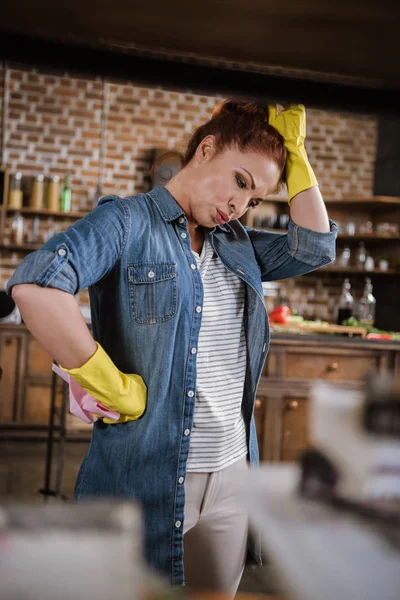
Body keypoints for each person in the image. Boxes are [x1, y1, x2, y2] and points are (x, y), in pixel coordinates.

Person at [8, 100, 337, 595]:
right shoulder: (125, 222)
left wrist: (296, 153)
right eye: (241, 181)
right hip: (145, 473)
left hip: (232, 470)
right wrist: (106, 380)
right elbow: (36, 284)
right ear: (206, 150)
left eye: (256, 199)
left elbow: (314, 245)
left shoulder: (237, 241)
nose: (241, 205)